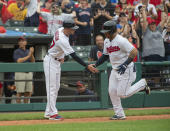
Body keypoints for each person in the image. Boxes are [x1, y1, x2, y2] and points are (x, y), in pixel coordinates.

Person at [88, 20, 150, 120]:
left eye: (107, 32)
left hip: (127, 69)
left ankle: (142, 84)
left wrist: (125, 64)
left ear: (112, 31)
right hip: (115, 69)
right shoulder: (107, 41)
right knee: (112, 91)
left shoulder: (121, 40)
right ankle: (119, 114)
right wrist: (95, 64)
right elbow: (105, 56)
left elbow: (134, 51)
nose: (105, 34)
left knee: (122, 94)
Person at [43, 17, 97, 120]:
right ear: (67, 28)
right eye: (72, 28)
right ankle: (53, 114)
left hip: (56, 60)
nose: (74, 30)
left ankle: (48, 112)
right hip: (51, 61)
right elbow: (74, 56)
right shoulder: (62, 39)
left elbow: (56, 45)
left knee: (56, 87)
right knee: (52, 88)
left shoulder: (60, 30)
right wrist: (86, 65)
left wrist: (61, 55)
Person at [13, 37, 35, 103]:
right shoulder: (16, 51)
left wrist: (31, 54)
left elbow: (33, 61)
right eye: (20, 41)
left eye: (23, 41)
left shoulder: (28, 51)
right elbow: (19, 61)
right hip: (20, 72)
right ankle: (18, 109)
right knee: (19, 92)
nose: (22, 42)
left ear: (26, 42)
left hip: (28, 73)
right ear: (18, 43)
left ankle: (26, 108)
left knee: (28, 92)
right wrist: (28, 55)